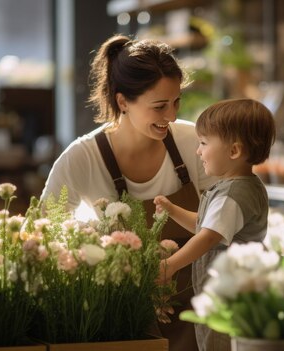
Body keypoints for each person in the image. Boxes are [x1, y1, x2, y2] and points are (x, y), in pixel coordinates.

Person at [40, 34, 217, 351]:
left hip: (201, 311)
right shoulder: (83, 157)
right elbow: (46, 232)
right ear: (123, 102)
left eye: (177, 102)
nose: (172, 115)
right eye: (160, 106)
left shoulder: (194, 142)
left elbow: (223, 218)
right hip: (124, 321)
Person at [154, 98, 276, 351]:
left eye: (203, 143)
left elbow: (208, 236)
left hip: (228, 297)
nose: (198, 151)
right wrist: (172, 210)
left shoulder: (233, 194)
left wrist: (171, 265)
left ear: (233, 151)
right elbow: (205, 225)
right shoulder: (242, 186)